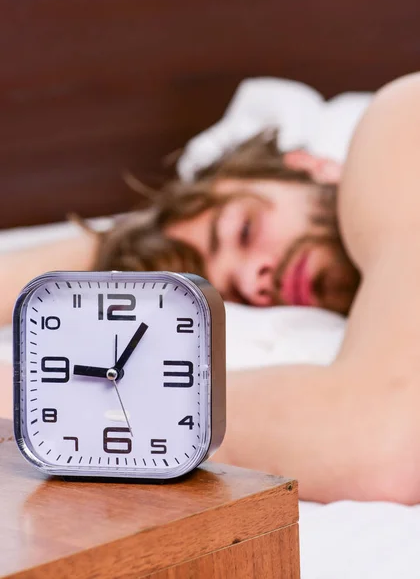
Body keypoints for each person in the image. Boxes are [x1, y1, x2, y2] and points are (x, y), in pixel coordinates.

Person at [1, 73, 420, 503]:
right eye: (233, 292)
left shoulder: (397, 126)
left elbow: (374, 439)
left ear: (305, 165)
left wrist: (31, 396)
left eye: (244, 230)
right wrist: (117, 247)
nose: (256, 278)